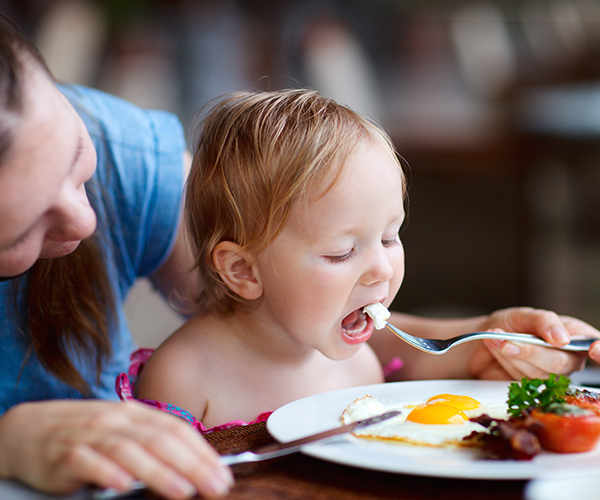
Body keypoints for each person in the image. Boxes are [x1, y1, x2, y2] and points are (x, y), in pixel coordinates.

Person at [131, 89, 600, 430]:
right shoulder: (185, 378)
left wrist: (512, 342)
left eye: (390, 238)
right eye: (341, 252)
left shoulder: (360, 364)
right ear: (243, 271)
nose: (381, 269)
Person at [0, 13, 232, 499]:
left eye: (74, 154)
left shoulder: (124, 151)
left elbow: (285, 317)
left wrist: (429, 349)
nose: (84, 223)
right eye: (20, 232)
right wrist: (9, 444)